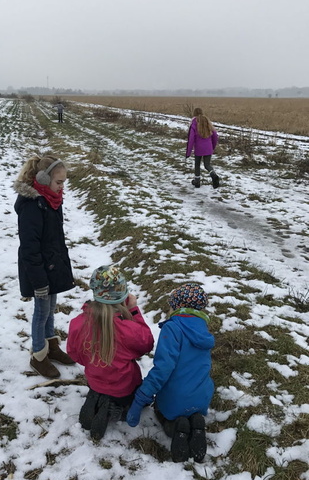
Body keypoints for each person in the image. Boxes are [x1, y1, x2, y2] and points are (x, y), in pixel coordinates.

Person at [126, 283, 214, 463]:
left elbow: (162, 369)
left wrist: (140, 399)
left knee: (163, 409)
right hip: (202, 396)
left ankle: (176, 427)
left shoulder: (172, 328)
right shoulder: (202, 329)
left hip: (175, 399)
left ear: (178, 306)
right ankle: (196, 423)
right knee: (194, 387)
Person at [67, 265, 154, 441]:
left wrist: (94, 362)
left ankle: (98, 397)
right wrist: (134, 311)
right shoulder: (127, 328)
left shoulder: (78, 323)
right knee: (136, 398)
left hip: (95, 380)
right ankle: (114, 410)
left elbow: (74, 353)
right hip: (124, 387)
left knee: (101, 385)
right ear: (123, 296)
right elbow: (146, 344)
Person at [14, 154, 76, 379]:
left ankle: (51, 346)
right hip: (39, 270)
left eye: (63, 183)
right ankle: (38, 355)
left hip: (52, 266)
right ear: (42, 178)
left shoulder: (52, 200)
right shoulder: (32, 206)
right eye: (59, 182)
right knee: (41, 313)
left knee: (51, 310)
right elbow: (30, 249)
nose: (62, 187)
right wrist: (39, 281)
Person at [186, 107, 220, 188]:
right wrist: (213, 147)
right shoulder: (207, 122)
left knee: (197, 164)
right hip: (208, 147)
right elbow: (215, 135)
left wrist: (188, 152)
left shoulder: (194, 123)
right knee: (207, 165)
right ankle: (214, 175)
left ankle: (197, 181)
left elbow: (191, 139)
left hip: (198, 148)